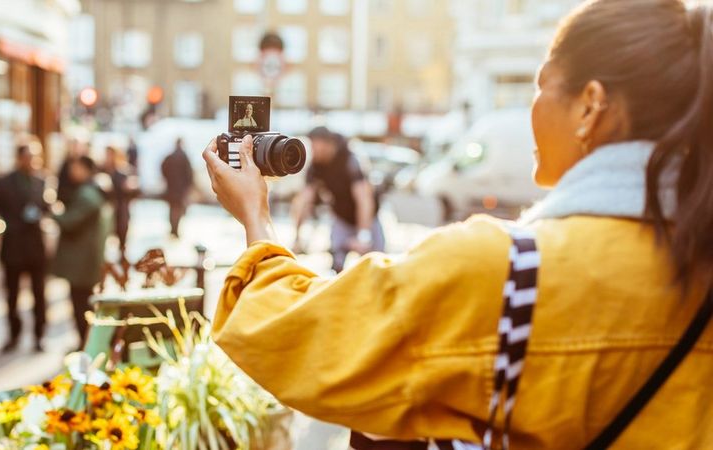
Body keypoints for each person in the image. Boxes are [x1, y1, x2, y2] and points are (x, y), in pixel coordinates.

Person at [202, 1, 713, 448]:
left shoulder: (506, 273)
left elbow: (299, 334)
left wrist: (255, 217)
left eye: (541, 86)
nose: (530, 107)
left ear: (591, 105)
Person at [291, 126, 384, 272]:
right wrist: (298, 237)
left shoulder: (350, 160)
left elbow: (364, 199)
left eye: (315, 146)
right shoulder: (315, 165)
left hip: (368, 219)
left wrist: (363, 236)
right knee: (337, 265)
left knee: (376, 263)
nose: (312, 151)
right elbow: (304, 201)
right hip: (341, 218)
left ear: (328, 144)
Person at [0, 143, 49, 352]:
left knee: (39, 294)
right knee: (12, 295)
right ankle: (14, 334)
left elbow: (47, 208)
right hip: (13, 246)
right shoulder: (4, 182)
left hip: (35, 247)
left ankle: (39, 334)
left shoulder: (41, 181)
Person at [52, 156, 110, 348]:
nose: (72, 172)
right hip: (85, 261)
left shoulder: (87, 194)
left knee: (82, 305)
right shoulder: (89, 191)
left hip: (83, 263)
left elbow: (69, 222)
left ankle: (87, 344)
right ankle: (86, 342)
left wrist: (54, 211)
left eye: (75, 167)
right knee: (82, 304)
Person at [103, 145, 138, 251]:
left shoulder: (123, 171)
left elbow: (132, 188)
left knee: (121, 231)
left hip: (121, 206)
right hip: (108, 206)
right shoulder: (102, 169)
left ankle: (122, 252)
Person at [161, 138, 194, 238]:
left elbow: (163, 168)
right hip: (180, 188)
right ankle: (175, 229)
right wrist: (188, 185)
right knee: (178, 209)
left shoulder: (170, 156)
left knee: (172, 209)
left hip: (171, 187)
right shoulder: (184, 157)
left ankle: (173, 229)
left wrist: (167, 179)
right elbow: (189, 173)